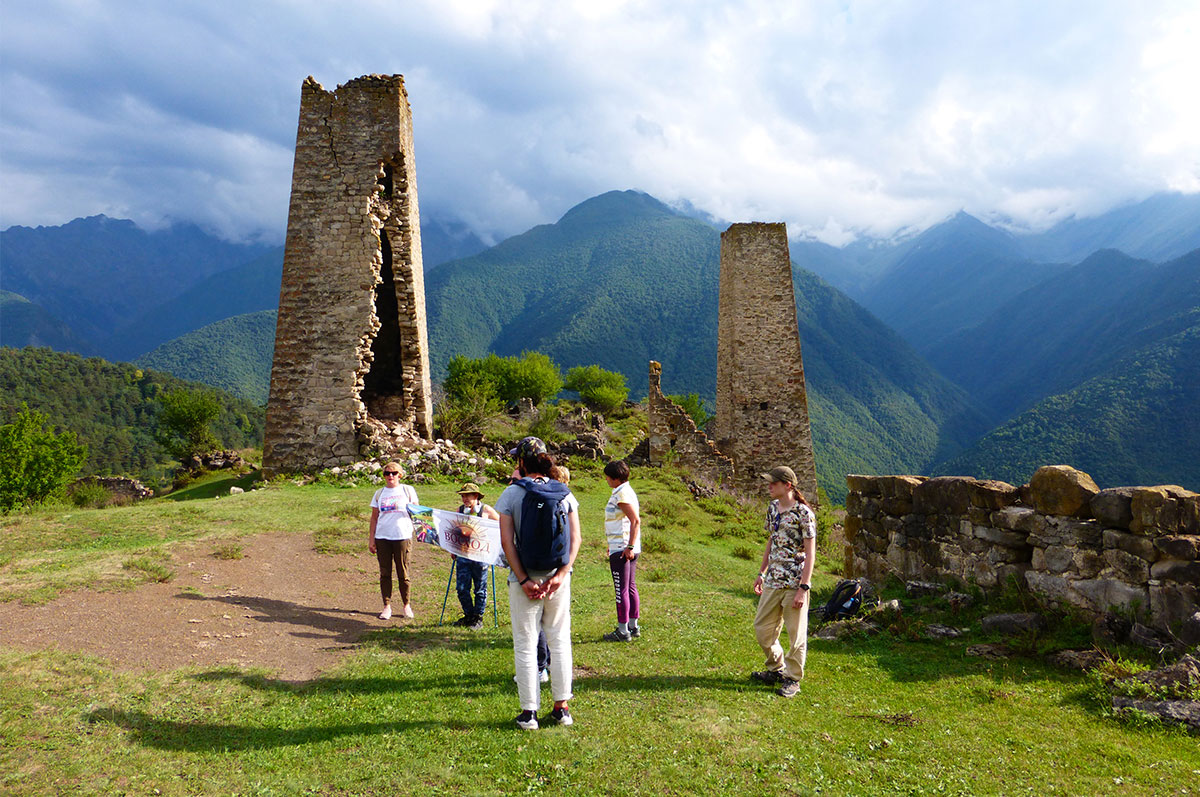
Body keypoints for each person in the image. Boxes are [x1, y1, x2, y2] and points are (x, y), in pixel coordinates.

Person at [497, 436, 581, 730]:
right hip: (558, 579)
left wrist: (523, 579)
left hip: (526, 578)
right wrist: (560, 575)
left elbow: (507, 543)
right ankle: (562, 708)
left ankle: (529, 712)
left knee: (525, 643)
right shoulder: (565, 493)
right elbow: (576, 539)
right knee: (559, 641)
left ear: (521, 462)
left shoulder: (511, 494)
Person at [750, 466, 817, 698]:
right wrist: (761, 572)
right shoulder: (772, 508)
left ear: (788, 485)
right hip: (773, 580)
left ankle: (792, 678)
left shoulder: (804, 514)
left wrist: (803, 588)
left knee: (795, 635)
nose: (769, 486)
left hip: (794, 583)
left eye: (773, 483)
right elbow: (772, 541)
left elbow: (811, 553)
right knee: (762, 629)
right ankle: (776, 668)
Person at [368, 462, 419, 620]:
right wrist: (371, 539)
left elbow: (417, 512)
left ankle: (406, 605)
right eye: (387, 473)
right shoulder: (379, 493)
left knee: (403, 572)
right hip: (382, 536)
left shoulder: (407, 490)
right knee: (385, 572)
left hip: (402, 536)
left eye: (394, 473)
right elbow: (374, 517)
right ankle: (386, 606)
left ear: (400, 475)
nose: (390, 476)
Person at [601, 460, 642, 642]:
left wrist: (629, 547)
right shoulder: (626, 490)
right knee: (630, 587)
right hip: (626, 547)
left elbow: (635, 521)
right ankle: (633, 626)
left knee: (621, 589)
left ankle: (622, 630)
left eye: (608, 477)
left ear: (616, 478)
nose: (607, 480)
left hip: (623, 548)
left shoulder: (622, 494)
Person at [452, 482, 500, 630]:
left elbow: (501, 526)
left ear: (476, 496)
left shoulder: (486, 510)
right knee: (461, 588)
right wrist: (453, 549)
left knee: (480, 588)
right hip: (463, 554)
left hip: (481, 556)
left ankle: (478, 617)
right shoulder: (460, 510)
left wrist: (492, 544)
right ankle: (469, 615)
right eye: (463, 495)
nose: (465, 498)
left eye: (468, 495)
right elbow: (454, 530)